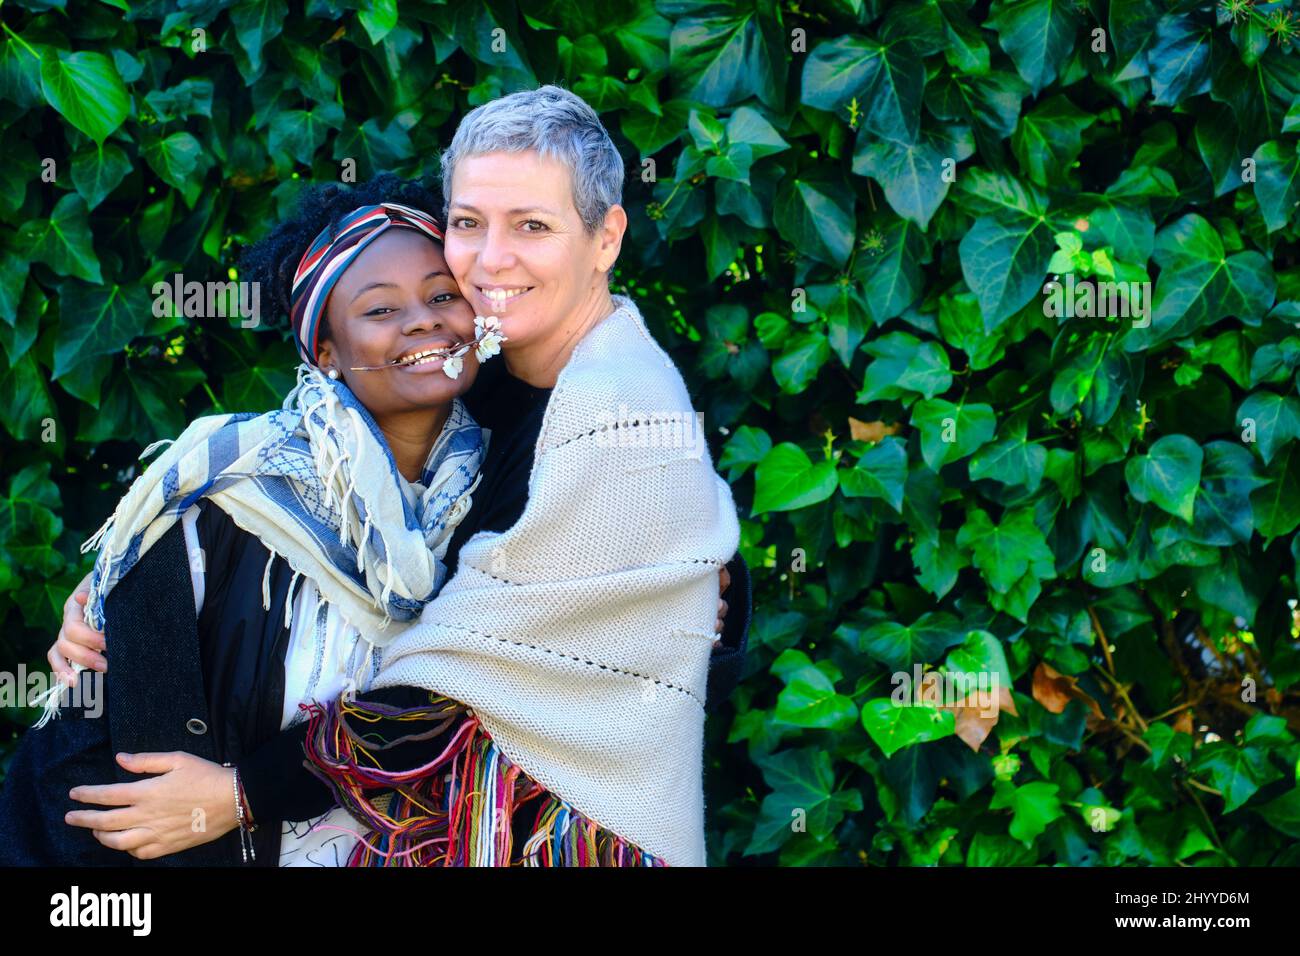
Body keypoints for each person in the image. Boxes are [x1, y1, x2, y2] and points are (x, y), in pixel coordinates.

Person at [10, 115, 752, 865]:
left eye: (531, 225)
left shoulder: (590, 424)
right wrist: (115, 589)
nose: (431, 315)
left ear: (606, 237)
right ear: (323, 351)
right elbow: (108, 766)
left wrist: (236, 795)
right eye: (469, 224)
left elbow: (453, 698)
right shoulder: (232, 494)